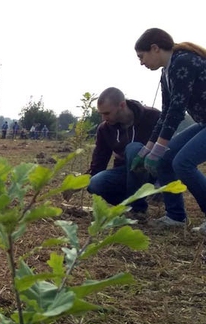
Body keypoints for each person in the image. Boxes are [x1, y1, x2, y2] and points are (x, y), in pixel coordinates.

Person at [132, 28, 206, 233]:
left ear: (154, 48)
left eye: (141, 56)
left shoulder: (183, 61)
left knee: (183, 163)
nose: (141, 63)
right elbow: (165, 114)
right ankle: (175, 217)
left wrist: (157, 149)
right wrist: (147, 150)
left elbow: (176, 111)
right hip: (203, 122)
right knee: (166, 161)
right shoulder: (166, 72)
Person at [87, 87, 160, 216]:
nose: (104, 118)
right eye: (101, 114)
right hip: (124, 173)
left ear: (122, 105)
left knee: (133, 149)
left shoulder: (153, 117)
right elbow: (99, 161)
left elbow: (168, 148)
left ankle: (137, 209)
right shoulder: (104, 129)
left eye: (107, 113)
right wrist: (81, 182)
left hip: (151, 171)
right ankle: (128, 205)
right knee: (95, 183)